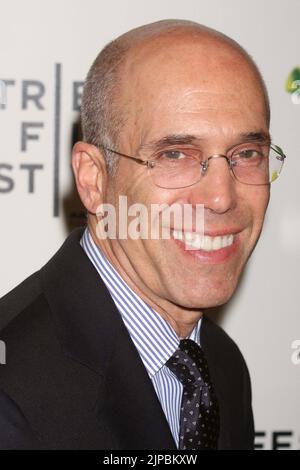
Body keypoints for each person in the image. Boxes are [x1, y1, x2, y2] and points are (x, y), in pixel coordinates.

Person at [0, 19, 286, 450]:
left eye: (247, 154)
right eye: (175, 155)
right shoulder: (11, 392)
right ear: (94, 180)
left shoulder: (220, 362)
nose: (221, 197)